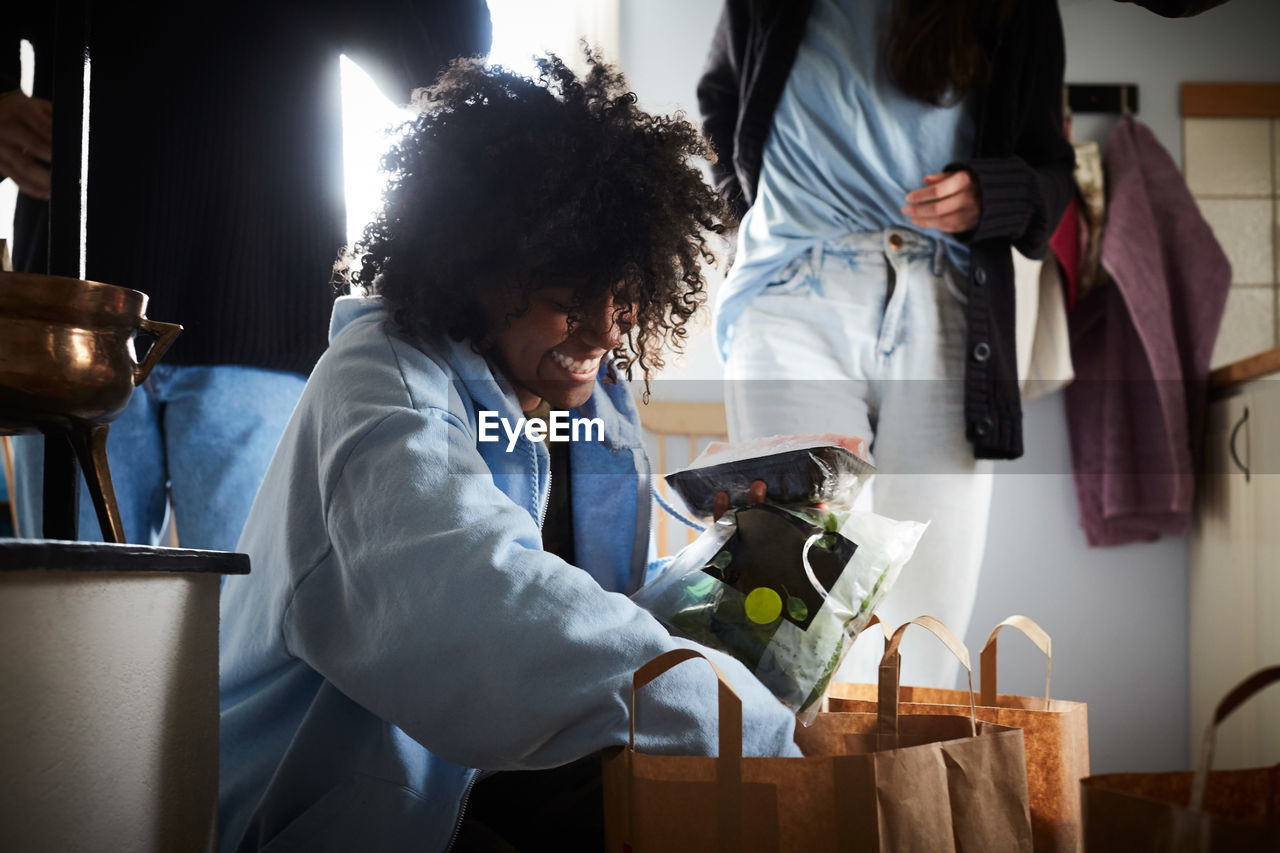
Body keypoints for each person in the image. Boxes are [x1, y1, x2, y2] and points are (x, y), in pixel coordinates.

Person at [217, 53, 800, 853]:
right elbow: (493, 610)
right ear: (475, 267)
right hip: (330, 822)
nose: (603, 331)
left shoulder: (586, 409)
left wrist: (736, 556)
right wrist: (743, 722)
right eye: (567, 301)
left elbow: (605, 617)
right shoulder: (381, 386)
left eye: (624, 295)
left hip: (463, 793)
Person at [0, 1, 491, 550]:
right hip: (72, 322)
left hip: (252, 323)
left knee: (238, 628)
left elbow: (444, 62)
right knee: (66, 621)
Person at [697, 0, 1075, 686]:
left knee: (927, 636)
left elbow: (1051, 166)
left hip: (949, 303)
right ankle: (796, 788)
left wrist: (998, 194)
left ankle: (900, 794)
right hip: (793, 291)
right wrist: (753, 203)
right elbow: (721, 100)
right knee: (790, 616)